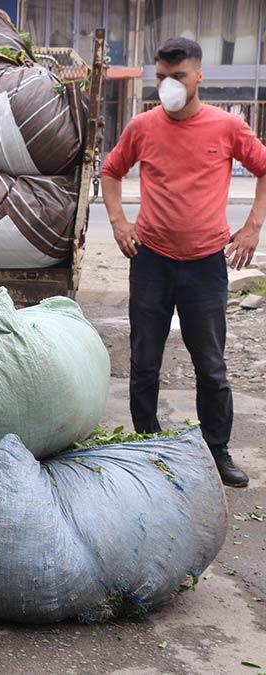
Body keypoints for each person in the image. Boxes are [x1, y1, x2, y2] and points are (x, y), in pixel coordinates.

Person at [101, 37, 266, 488]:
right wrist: (118, 223)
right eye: (161, 77)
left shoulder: (226, 127)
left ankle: (217, 453)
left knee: (210, 365)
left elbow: (263, 167)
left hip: (205, 265)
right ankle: (147, 448)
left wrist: (252, 227)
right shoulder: (142, 126)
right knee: (145, 362)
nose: (168, 85)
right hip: (151, 260)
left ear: (198, 77)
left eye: (177, 77)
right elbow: (111, 171)